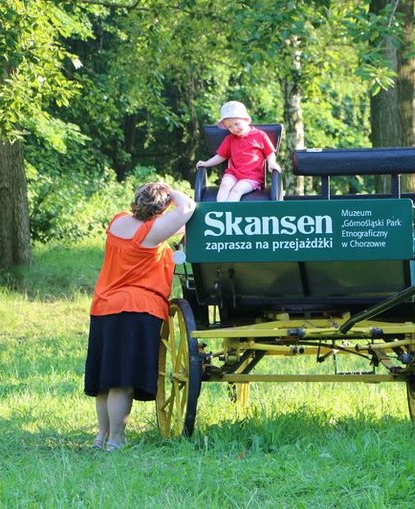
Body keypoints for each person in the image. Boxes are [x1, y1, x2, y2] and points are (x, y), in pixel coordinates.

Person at [84, 182, 195, 451]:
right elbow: (188, 208)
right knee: (122, 380)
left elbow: (176, 225)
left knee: (104, 381)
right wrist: (172, 192)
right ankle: (116, 440)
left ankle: (102, 436)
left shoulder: (118, 222)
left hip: (104, 307)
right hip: (136, 310)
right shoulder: (150, 233)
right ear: (161, 209)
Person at [196, 100, 281, 202]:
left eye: (236, 124)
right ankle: (221, 210)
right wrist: (206, 163)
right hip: (233, 173)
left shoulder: (260, 135)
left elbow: (270, 152)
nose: (234, 129)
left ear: (246, 120)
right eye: (230, 127)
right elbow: (221, 156)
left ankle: (231, 213)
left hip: (252, 177)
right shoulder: (230, 139)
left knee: (237, 190)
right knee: (224, 185)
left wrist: (272, 163)